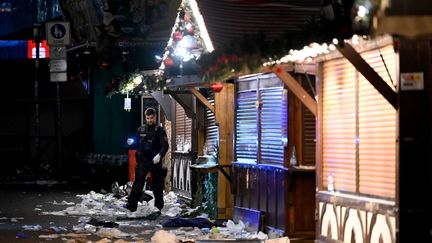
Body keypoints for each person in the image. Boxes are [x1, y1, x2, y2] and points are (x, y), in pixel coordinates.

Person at [126, 108, 169, 212]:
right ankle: (131, 207)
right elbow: (136, 143)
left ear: (155, 117)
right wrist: (130, 143)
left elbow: (165, 146)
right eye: (148, 118)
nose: (150, 120)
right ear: (145, 117)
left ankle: (158, 208)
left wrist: (159, 155)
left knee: (157, 185)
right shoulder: (141, 130)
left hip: (154, 161)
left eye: (151, 118)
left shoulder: (159, 130)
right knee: (138, 184)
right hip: (142, 161)